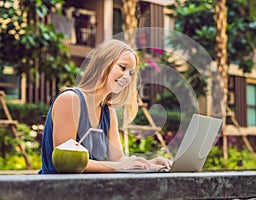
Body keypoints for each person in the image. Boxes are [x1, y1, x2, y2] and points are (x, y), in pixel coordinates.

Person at [38, 39, 172, 174]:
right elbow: (67, 162)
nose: (127, 77)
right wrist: (119, 166)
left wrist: (148, 163)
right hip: (57, 189)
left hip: (90, 189)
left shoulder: (108, 110)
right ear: (102, 64)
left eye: (131, 73)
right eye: (122, 67)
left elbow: (118, 159)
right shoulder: (70, 99)